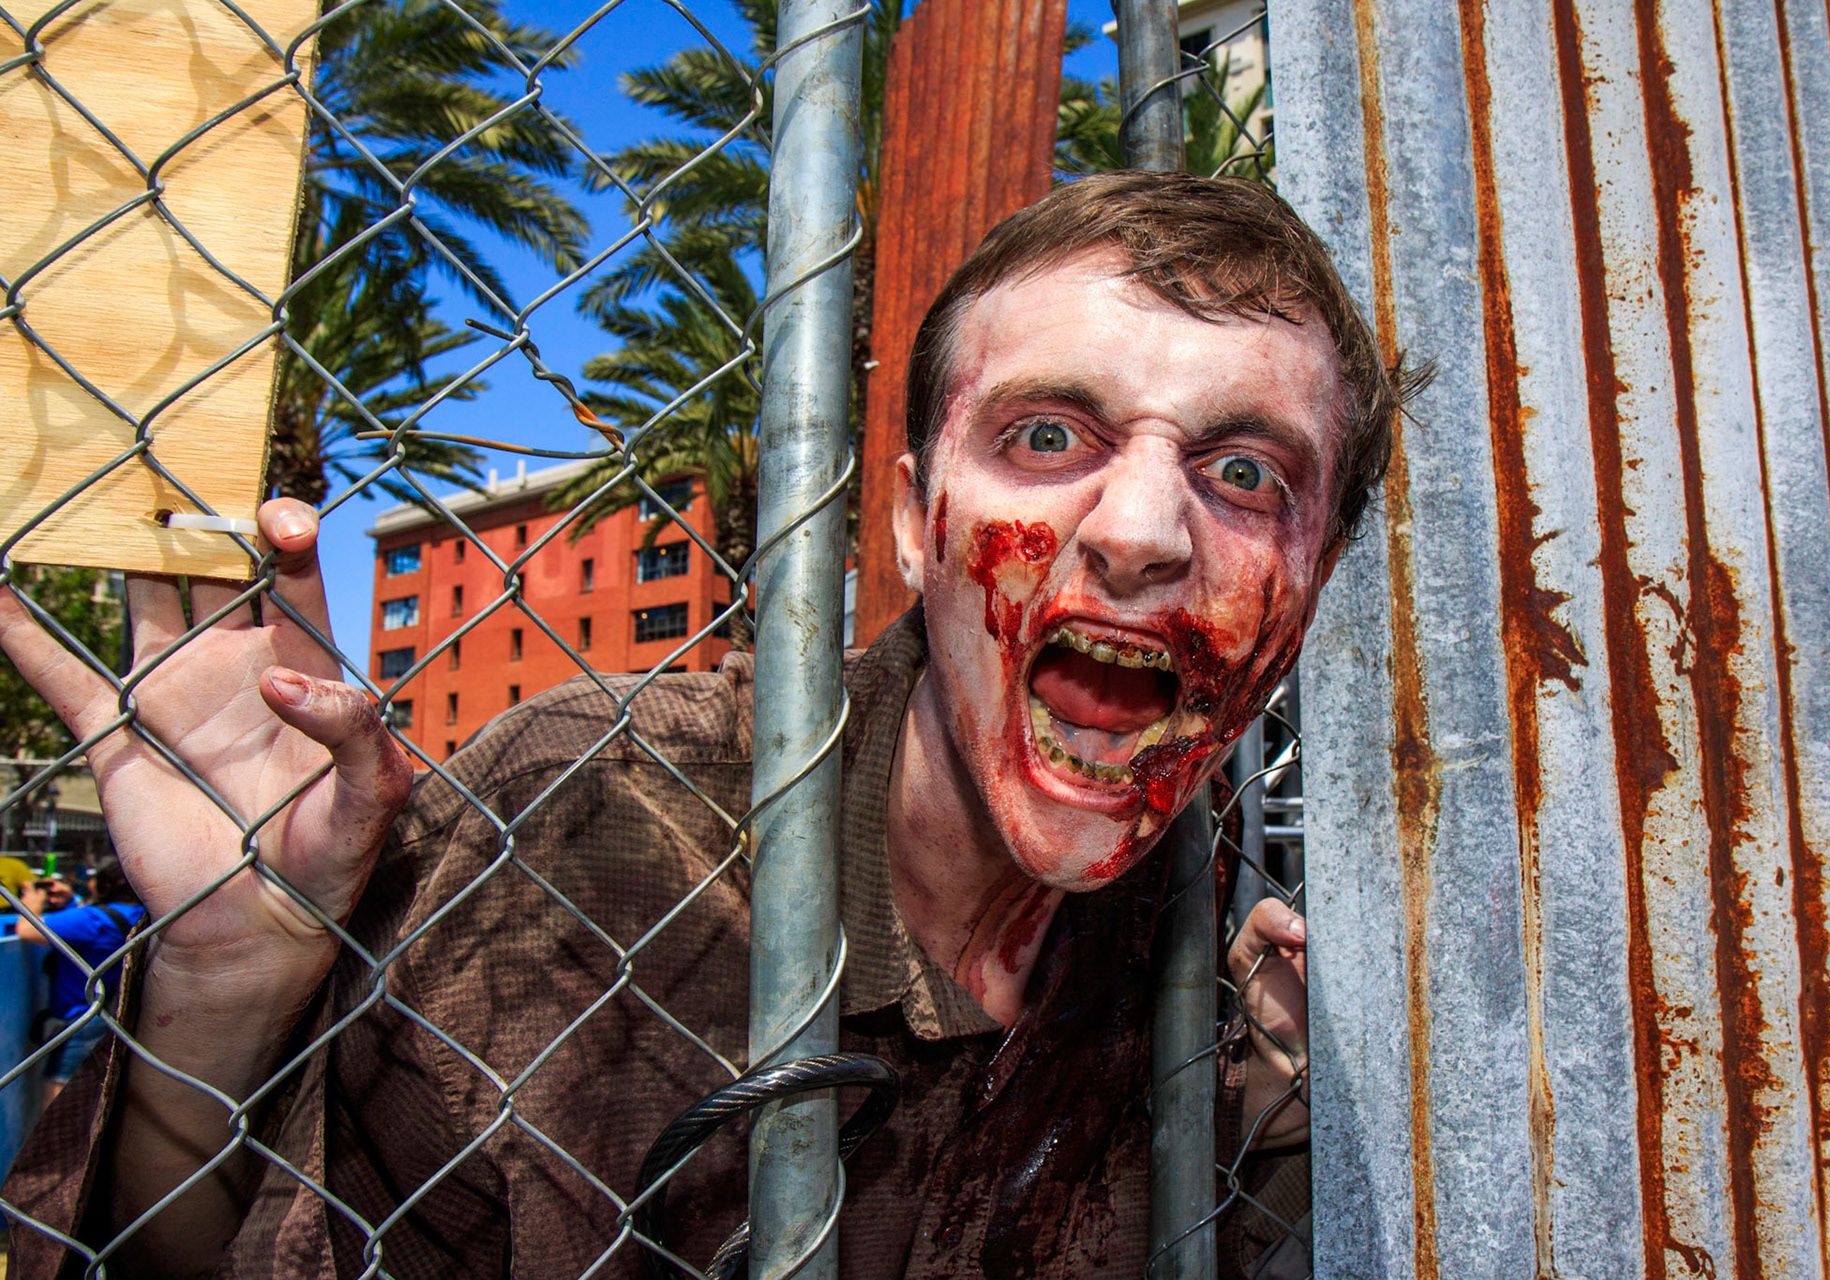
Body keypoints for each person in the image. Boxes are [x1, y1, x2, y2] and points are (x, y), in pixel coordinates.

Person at [0, 172, 1412, 1278]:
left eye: (1243, 468)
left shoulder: (1187, 916)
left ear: (1317, 584)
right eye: (1049, 435)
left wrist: (1254, 1138)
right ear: (920, 529)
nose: (1147, 530)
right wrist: (224, 994)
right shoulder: (590, 832)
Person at [15, 860, 143, 1106]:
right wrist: (71, 899)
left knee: (58, 1096)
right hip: (110, 1014)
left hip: (79, 1017)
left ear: (108, 883)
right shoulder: (136, 914)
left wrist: (31, 899)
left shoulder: (93, 919)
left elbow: (26, 930)